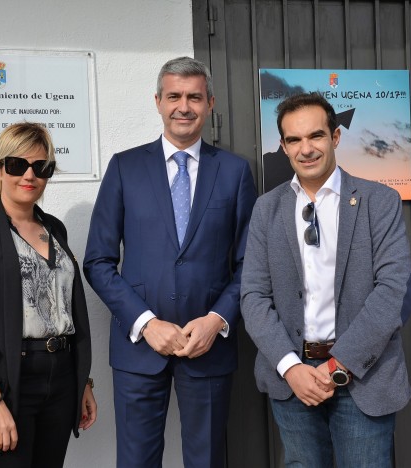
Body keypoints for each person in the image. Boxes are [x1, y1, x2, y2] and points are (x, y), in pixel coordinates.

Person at [84, 56, 256, 468]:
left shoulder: (234, 172)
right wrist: (146, 323)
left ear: (210, 103)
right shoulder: (125, 168)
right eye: (174, 96)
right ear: (158, 101)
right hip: (139, 348)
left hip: (209, 345)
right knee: (137, 461)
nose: (184, 106)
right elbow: (98, 261)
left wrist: (217, 319)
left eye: (194, 97)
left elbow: (251, 264)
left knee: (207, 460)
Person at [241, 93, 411, 467]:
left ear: (335, 137)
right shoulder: (266, 209)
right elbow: (253, 296)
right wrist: (291, 367)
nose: (306, 149)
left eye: (316, 136)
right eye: (294, 140)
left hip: (363, 377)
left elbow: (392, 293)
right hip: (293, 379)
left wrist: (338, 366)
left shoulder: (378, 202)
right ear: (284, 146)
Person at [0, 122, 97, 468]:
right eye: (17, 164)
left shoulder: (54, 228)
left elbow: (65, 309)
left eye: (41, 167)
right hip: (7, 379)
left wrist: (82, 379)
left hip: (61, 379)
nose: (29, 175)